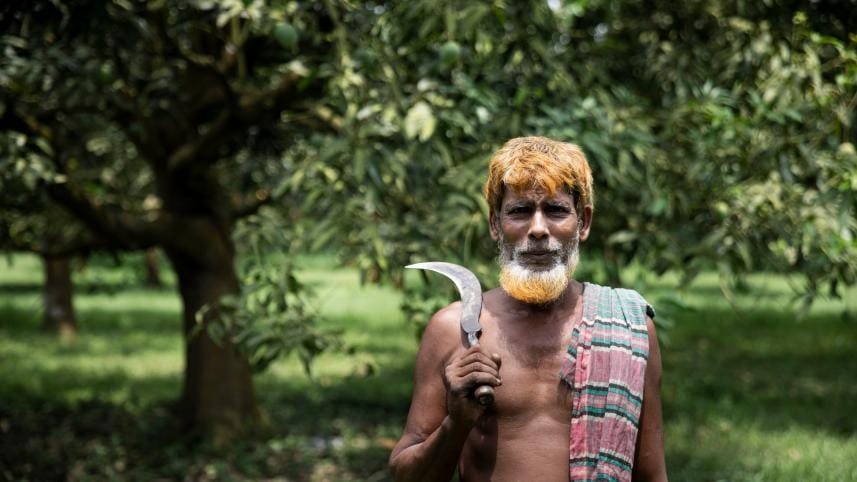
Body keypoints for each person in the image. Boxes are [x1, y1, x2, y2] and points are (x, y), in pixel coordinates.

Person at [389, 136, 667, 481]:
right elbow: (406, 476)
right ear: (495, 224)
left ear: (584, 223)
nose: (538, 229)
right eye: (520, 211)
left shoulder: (629, 328)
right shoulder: (454, 329)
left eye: (555, 210)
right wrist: (456, 422)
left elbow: (651, 474)